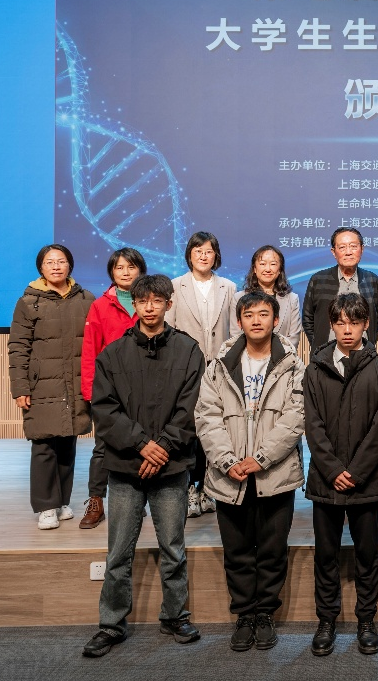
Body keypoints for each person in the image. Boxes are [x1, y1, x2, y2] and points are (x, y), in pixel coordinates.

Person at [82, 274, 205, 658]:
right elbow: (104, 410)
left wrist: (162, 447)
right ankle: (111, 624)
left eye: (157, 300)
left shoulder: (188, 351)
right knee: (118, 553)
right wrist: (141, 445)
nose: (149, 307)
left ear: (169, 304)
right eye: (142, 301)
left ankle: (175, 616)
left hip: (171, 466)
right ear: (133, 305)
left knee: (173, 548)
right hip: (125, 467)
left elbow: (192, 407)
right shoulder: (113, 354)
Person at [194, 290, 305, 653]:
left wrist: (261, 458)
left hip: (275, 473)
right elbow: (207, 417)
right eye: (249, 315)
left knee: (272, 550)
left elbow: (296, 417)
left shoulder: (292, 363)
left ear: (276, 320)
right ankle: (244, 614)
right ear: (239, 321)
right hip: (230, 476)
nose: (257, 320)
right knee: (238, 550)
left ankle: (265, 615)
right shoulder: (219, 364)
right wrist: (228, 461)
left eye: (263, 314)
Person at [303, 293, 378, 656]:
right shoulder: (315, 368)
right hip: (325, 480)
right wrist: (332, 469)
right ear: (331, 324)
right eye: (340, 322)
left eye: (354, 322)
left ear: (366, 325)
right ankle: (326, 620)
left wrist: (355, 471)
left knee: (366, 555)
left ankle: (366, 621)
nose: (346, 329)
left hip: (365, 480)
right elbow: (312, 425)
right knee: (325, 555)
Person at [8, 243, 95, 531]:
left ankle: (62, 501)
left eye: (61, 261)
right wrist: (20, 387)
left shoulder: (86, 299)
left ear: (70, 265)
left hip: (75, 384)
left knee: (68, 443)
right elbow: (18, 347)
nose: (56, 266)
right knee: (44, 444)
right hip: (41, 385)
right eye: (50, 262)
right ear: (41, 268)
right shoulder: (28, 302)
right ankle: (46, 506)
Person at [168, 230, 237, 518]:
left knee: (216, 427)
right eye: (198, 251)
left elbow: (235, 332)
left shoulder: (229, 287)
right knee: (188, 428)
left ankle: (209, 488)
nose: (203, 256)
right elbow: (170, 329)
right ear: (189, 255)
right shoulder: (175, 286)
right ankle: (188, 488)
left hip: (220, 369)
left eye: (208, 251)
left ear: (216, 255)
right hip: (186, 368)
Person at [78, 247, 146, 530]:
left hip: (143, 388)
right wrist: (90, 392)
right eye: (119, 267)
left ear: (140, 270)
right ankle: (96, 501)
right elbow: (90, 350)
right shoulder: (100, 306)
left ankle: (136, 501)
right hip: (109, 389)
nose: (125, 272)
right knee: (103, 447)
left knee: (141, 443)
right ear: (111, 272)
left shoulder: (149, 302)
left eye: (131, 267)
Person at [302, 226, 378, 351]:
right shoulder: (318, 280)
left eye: (353, 246)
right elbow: (308, 319)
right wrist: (319, 346)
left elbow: (376, 320)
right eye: (342, 247)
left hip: (363, 355)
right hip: (326, 355)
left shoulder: (372, 280)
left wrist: (370, 344)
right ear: (333, 252)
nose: (348, 252)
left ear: (362, 249)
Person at [237, 245, 302, 350]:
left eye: (273, 264)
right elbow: (236, 335)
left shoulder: (292, 299)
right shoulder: (239, 297)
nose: (268, 269)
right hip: (248, 357)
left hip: (283, 357)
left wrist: (276, 356)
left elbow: (294, 337)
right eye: (262, 264)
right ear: (254, 268)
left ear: (280, 269)